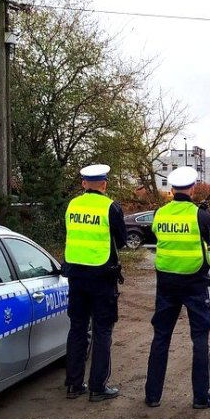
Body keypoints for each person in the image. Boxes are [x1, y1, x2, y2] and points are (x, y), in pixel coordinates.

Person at [144, 166, 210, 409]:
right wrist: (203, 215)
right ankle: (201, 397)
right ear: (193, 188)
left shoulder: (160, 213)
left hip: (166, 282)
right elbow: (207, 239)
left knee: (161, 336)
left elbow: (158, 235)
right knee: (200, 337)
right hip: (194, 282)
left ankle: (152, 395)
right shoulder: (199, 214)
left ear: (172, 189)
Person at [62, 164, 127, 402]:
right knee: (102, 330)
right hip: (102, 277)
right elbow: (120, 241)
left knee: (77, 329)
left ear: (83, 184)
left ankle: (73, 384)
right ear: (104, 184)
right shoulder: (110, 207)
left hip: (76, 277)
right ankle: (98, 387)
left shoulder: (72, 205)